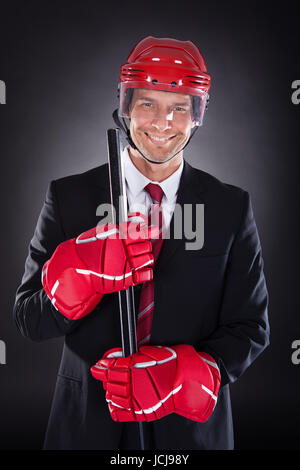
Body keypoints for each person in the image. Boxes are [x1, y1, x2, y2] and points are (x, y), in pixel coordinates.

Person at [13, 36, 269, 450]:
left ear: (197, 115)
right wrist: (76, 279)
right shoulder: (69, 197)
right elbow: (29, 319)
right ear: (126, 106)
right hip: (85, 427)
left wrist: (195, 372)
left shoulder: (230, 206)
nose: (162, 122)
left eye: (179, 107)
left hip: (190, 434)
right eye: (148, 103)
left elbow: (251, 327)